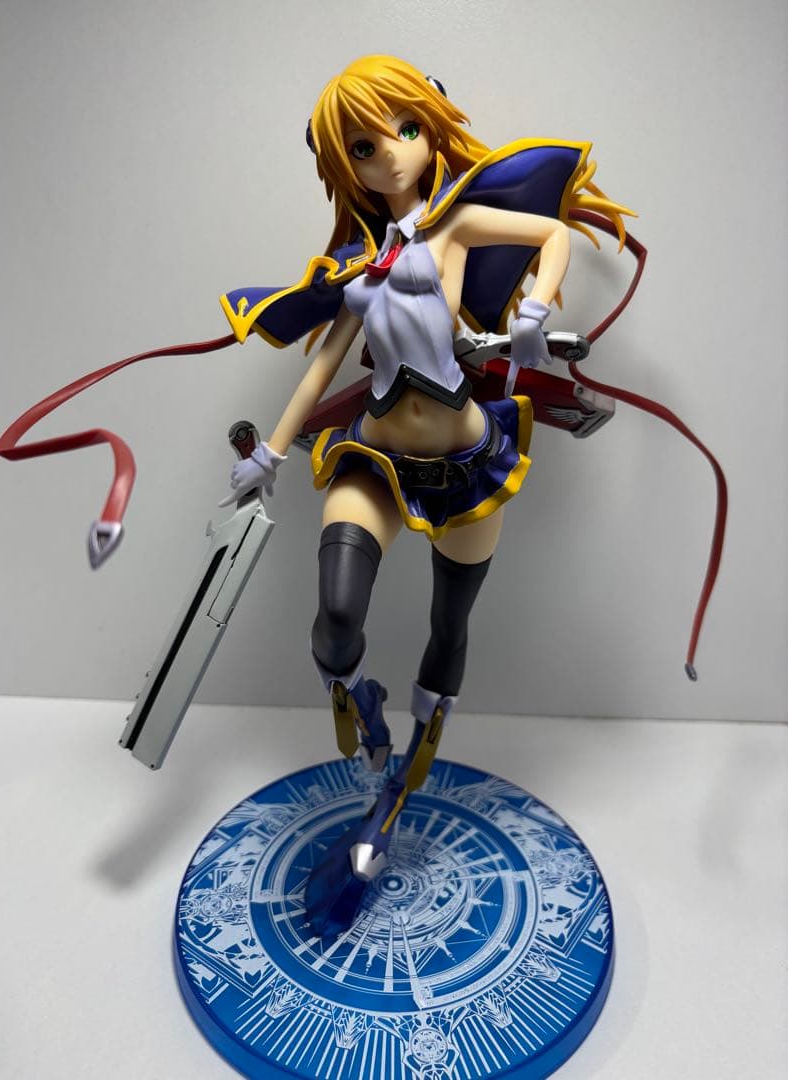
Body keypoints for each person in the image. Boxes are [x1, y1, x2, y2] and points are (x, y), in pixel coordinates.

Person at [215, 54, 631, 937]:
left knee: (450, 625)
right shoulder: (355, 269)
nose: (391, 154)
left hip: (465, 468)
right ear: (345, 165)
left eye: (404, 130)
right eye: (365, 146)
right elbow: (323, 366)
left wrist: (535, 309)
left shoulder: (455, 228)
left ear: (430, 129)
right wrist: (274, 455)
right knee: (335, 619)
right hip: (373, 460)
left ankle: (417, 755)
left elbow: (549, 235)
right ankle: (363, 714)